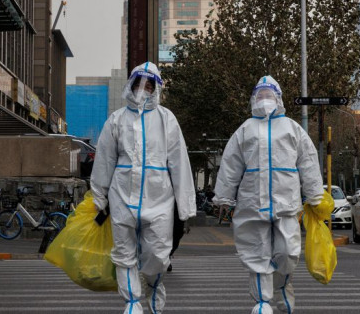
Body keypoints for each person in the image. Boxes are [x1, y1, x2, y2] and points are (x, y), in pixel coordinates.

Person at [91, 62, 196, 314]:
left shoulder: (166, 119)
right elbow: (105, 160)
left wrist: (185, 205)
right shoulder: (116, 119)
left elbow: (179, 162)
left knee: (159, 254)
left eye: (149, 85)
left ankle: (151, 283)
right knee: (124, 254)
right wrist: (99, 195)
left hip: (159, 196)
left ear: (156, 89)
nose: (143, 89)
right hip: (122, 195)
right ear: (131, 84)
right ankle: (132, 303)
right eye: (139, 84)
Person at [213, 75, 324, 314]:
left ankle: (282, 289)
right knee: (257, 255)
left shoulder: (292, 128)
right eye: (260, 95)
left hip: (286, 205)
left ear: (278, 99)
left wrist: (315, 195)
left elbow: (308, 162)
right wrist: (224, 197)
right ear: (254, 99)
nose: (265, 100)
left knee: (287, 253)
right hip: (252, 205)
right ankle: (262, 303)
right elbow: (230, 165)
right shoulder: (245, 129)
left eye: (269, 95)